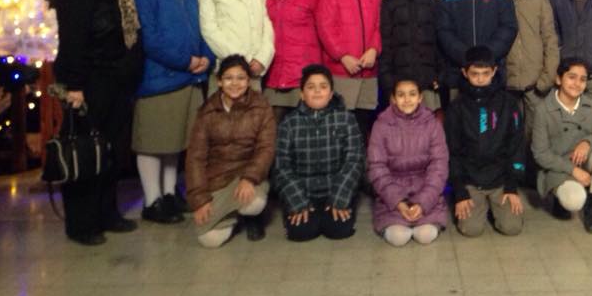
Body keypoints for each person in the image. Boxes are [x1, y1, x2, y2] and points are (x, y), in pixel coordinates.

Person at [53, 0, 143, 246]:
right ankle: (81, 223)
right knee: (85, 151)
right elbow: (72, 42)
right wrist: (74, 85)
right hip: (89, 82)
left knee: (111, 151)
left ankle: (107, 213)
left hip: (116, 83)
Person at [130, 0, 213, 224]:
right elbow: (150, 38)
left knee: (174, 140)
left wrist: (205, 56)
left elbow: (200, 26)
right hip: (160, 77)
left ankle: (168, 193)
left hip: (189, 76)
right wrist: (185, 60)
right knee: (153, 141)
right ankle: (152, 200)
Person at [186, 55, 276, 247]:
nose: (235, 83)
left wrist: (249, 178)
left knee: (253, 203)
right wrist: (200, 199)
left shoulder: (261, 107)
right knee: (209, 241)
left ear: (248, 81)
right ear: (219, 81)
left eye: (241, 78)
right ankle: (232, 217)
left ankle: (250, 218)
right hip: (217, 179)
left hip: (248, 174)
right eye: (228, 78)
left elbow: (266, 148)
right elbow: (195, 158)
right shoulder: (207, 111)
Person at [275, 64, 364, 242]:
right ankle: (303, 210)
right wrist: (298, 202)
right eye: (310, 87)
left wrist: (340, 198)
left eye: (323, 87)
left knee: (338, 229)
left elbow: (354, 161)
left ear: (330, 94)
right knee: (302, 232)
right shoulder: (289, 123)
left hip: (335, 188)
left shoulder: (346, 119)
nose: (317, 91)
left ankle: (336, 208)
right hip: (304, 191)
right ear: (302, 94)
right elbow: (281, 166)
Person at [445, 46, 525, 237]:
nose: (480, 79)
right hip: (471, 180)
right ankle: (479, 205)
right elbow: (452, 152)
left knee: (512, 227)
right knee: (471, 229)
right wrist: (460, 192)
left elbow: (517, 146)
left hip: (500, 179)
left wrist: (512, 186)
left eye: (485, 73)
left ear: (494, 71)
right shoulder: (457, 108)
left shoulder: (509, 104)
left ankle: (494, 206)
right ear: (465, 73)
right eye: (475, 74)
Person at [531, 58, 592, 233]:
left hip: (583, 160)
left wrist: (587, 142)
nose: (577, 84)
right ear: (559, 79)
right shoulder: (543, 110)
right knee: (574, 200)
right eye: (572, 77)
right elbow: (540, 154)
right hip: (558, 167)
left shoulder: (591, 106)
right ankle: (559, 198)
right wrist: (573, 170)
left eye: (582, 79)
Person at [368, 77, 448, 247]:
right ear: (393, 99)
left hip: (425, 189)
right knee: (398, 238)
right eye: (401, 95)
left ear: (420, 98)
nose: (407, 99)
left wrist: (423, 202)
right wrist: (398, 202)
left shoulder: (432, 124)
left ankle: (423, 215)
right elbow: (376, 167)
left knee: (425, 235)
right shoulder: (381, 125)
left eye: (412, 94)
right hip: (393, 193)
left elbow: (439, 166)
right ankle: (397, 216)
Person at [315, 0, 381, 138]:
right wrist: (342, 56)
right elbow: (325, 29)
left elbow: (379, 26)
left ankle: (362, 157)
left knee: (364, 123)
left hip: (368, 71)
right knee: (341, 124)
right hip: (342, 70)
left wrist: (373, 49)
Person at [438, 0, 518, 95]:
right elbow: (444, 31)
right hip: (459, 73)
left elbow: (508, 28)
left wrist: (486, 56)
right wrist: (466, 57)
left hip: (492, 73)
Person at [496, 0, 560, 139]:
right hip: (507, 82)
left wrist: (546, 78)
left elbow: (550, 39)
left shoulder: (538, 0)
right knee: (510, 133)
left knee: (536, 134)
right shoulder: (496, 0)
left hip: (535, 82)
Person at [264, 0, 324, 126]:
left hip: (303, 69)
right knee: (273, 127)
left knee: (302, 128)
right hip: (274, 68)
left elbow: (323, 30)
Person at [379, 0, 442, 112]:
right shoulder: (389, 3)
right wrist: (388, 83)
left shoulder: (433, 1)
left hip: (428, 79)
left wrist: (439, 76)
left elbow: (440, 41)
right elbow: (385, 45)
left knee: (428, 121)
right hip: (400, 81)